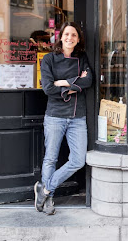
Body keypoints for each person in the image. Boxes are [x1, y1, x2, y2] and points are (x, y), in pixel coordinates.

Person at [34, 22, 93, 215]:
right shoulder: (50, 59)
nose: (70, 38)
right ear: (61, 37)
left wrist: (63, 82)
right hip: (55, 116)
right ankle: (48, 199)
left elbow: (88, 81)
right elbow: (48, 88)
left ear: (78, 39)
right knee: (50, 158)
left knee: (78, 160)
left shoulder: (81, 58)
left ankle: (44, 189)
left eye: (74, 35)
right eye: (67, 34)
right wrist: (74, 84)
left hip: (77, 117)